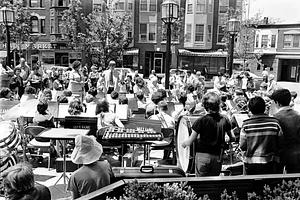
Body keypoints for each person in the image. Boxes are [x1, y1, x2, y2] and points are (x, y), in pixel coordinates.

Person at [182, 92, 235, 176]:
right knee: (213, 183)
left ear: (205, 106)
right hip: (218, 156)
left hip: (203, 156)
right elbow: (233, 138)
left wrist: (182, 144)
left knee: (201, 183)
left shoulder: (201, 120)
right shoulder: (225, 119)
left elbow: (190, 141)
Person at [239, 96, 282, 175]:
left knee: (253, 186)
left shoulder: (246, 125)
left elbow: (242, 146)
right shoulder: (275, 123)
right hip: (271, 163)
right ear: (264, 107)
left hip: (251, 164)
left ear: (250, 109)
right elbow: (280, 143)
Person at [271, 89, 300, 173]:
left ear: (277, 103)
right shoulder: (298, 115)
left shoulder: (275, 118)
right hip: (297, 155)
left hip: (282, 157)